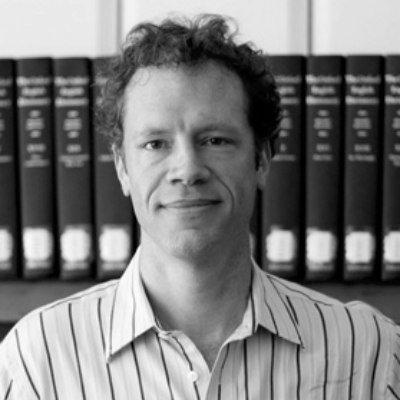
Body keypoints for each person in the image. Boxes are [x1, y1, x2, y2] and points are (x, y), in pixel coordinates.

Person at [1, 14, 399, 400]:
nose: (187, 170)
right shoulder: (36, 363)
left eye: (215, 140)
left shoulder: (369, 354)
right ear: (122, 167)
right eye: (155, 144)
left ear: (262, 159)